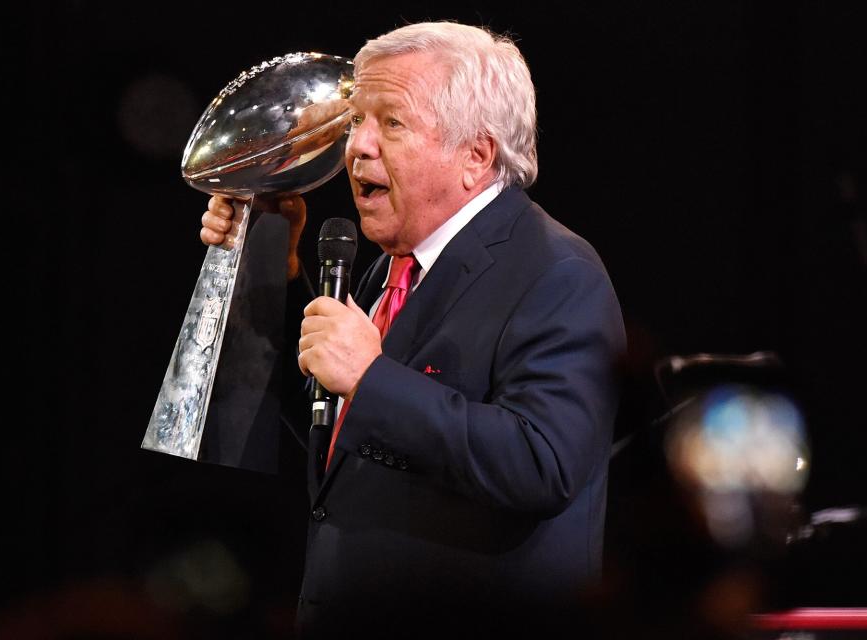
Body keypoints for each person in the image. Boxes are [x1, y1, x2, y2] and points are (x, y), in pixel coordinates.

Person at [200, 22, 626, 638]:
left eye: (391, 124)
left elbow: (544, 463)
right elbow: (340, 431)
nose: (357, 147)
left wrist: (371, 379)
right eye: (357, 122)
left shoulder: (558, 272)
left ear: (475, 157)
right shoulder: (391, 267)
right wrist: (272, 267)